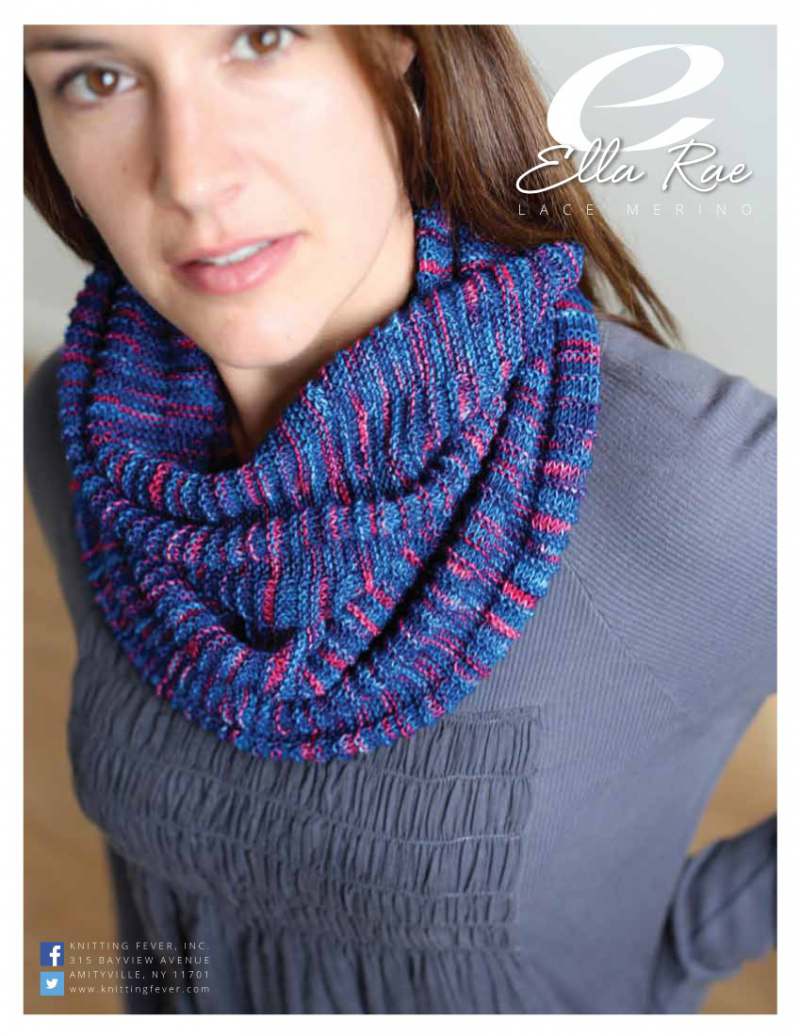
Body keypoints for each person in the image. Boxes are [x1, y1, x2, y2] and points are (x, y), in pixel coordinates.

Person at [23, 25, 775, 1014]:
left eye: (260, 38)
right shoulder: (78, 431)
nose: (191, 177)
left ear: (392, 39)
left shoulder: (693, 481)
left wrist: (671, 953)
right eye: (97, 77)